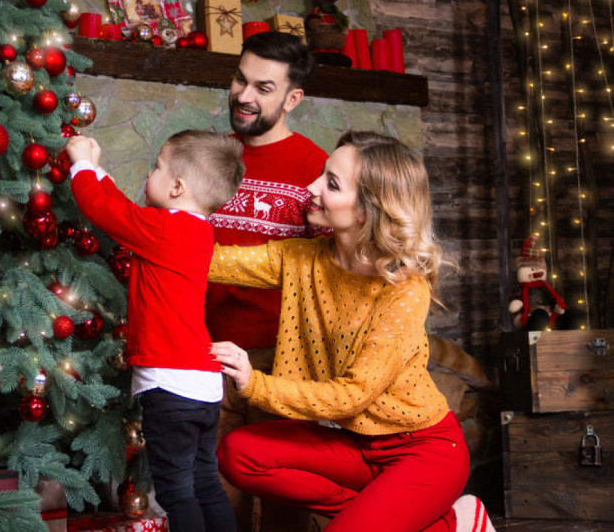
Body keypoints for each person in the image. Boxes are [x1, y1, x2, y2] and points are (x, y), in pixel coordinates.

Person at [208, 131, 496, 532]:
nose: (311, 188)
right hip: (358, 449)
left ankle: (450, 522)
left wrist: (254, 382)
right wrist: (144, 225)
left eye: (331, 183)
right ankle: (416, 518)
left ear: (366, 210)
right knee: (238, 452)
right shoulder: (302, 258)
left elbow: (352, 395)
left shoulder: (404, 289)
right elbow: (214, 261)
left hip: (424, 452)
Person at [66, 130, 245, 532]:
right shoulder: (195, 231)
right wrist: (97, 170)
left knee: (176, 492)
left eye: (156, 168)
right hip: (203, 385)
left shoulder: (163, 229)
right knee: (204, 482)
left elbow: (102, 210)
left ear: (178, 187)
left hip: (170, 383)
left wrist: (81, 163)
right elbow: (125, 212)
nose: (150, 174)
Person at [205, 30, 330, 531]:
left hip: (283, 362)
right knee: (214, 492)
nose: (243, 95)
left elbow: (328, 272)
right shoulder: (212, 155)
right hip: (207, 351)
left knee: (283, 500)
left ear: (292, 98)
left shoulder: (316, 169)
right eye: (240, 79)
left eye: (263, 87)